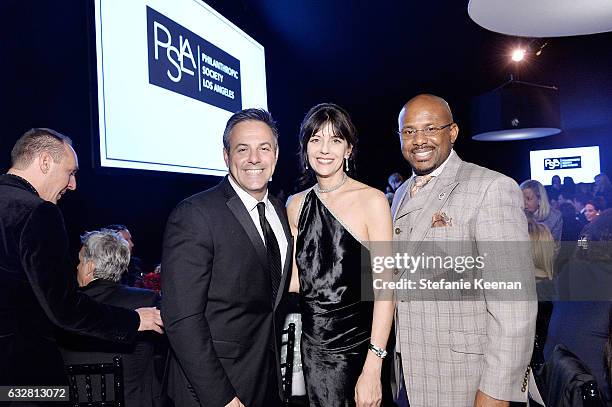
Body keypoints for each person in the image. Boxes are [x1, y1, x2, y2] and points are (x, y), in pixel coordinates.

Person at [391, 94, 536, 407]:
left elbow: (514, 301)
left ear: (452, 133)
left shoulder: (491, 187)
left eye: (430, 128)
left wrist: (498, 390)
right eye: (409, 131)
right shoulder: (400, 193)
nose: (419, 140)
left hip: (466, 377)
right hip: (409, 375)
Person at [0, 128, 163, 387]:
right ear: (44, 162)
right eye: (71, 172)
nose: (73, 185)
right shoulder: (39, 213)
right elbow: (63, 308)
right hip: (22, 380)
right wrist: (134, 319)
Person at [161, 109, 292, 407]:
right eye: (242, 149)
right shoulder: (195, 214)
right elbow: (182, 319)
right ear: (225, 155)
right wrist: (221, 397)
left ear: (276, 154)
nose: (254, 158)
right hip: (211, 390)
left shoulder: (279, 210)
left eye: (264, 148)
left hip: (265, 380)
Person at [286, 103, 394, 407]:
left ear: (348, 149)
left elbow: (386, 288)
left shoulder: (373, 201)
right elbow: (294, 282)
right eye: (316, 139)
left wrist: (374, 365)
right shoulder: (295, 204)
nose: (324, 149)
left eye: (335, 140)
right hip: (312, 349)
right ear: (305, 147)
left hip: (359, 350)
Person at [58, 229, 161, 407]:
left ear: (89, 267)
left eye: (80, 261)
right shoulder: (147, 300)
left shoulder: (67, 310)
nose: (76, 267)